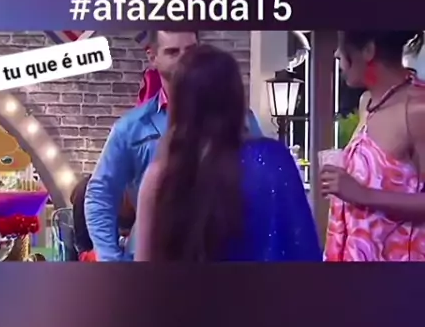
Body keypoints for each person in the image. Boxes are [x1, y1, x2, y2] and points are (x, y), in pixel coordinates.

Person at [85, 31, 263, 261]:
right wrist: (111, 260)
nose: (183, 59)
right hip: (155, 257)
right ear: (153, 57)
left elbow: (263, 188)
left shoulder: (241, 121)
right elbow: (101, 193)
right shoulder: (132, 129)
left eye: (190, 50)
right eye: (172, 52)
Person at [134, 44, 321, 262]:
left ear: (180, 104)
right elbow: (304, 251)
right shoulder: (273, 160)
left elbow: (144, 269)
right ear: (236, 99)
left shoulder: (161, 175)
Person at [322, 31, 425, 261]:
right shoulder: (367, 103)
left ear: (368, 50)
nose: (337, 54)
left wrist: (363, 194)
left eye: (342, 46)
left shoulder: (418, 109)